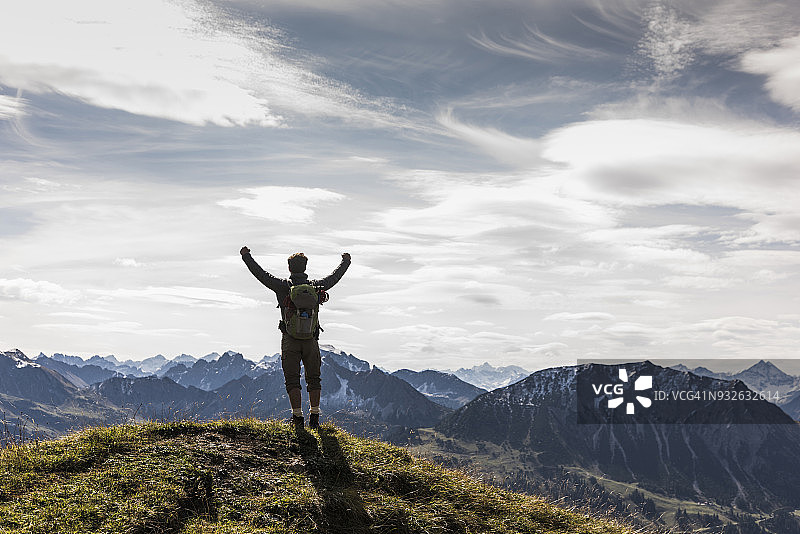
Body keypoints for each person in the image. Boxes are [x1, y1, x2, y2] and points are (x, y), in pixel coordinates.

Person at [240, 246, 351, 430]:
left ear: (289, 268)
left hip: (289, 339)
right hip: (311, 340)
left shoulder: (282, 286)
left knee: (292, 379)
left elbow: (261, 274)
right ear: (305, 267)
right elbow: (334, 278)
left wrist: (246, 256)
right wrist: (345, 262)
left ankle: (297, 418)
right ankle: (314, 417)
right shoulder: (316, 287)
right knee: (314, 379)